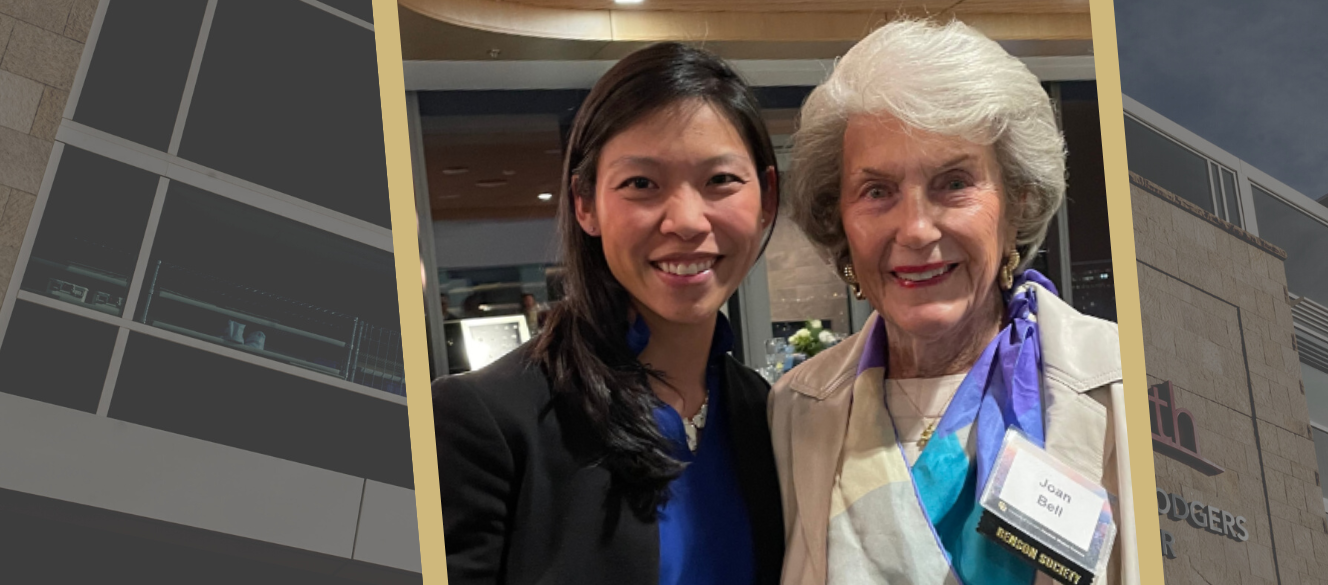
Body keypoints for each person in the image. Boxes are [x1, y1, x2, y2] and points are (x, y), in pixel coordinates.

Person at [772, 19, 1133, 585]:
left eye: (954, 182)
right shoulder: (792, 409)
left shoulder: (1125, 384)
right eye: (876, 191)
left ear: (1018, 201)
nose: (915, 229)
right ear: (837, 217)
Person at [431, 43, 785, 585]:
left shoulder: (768, 414)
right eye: (641, 184)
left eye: (720, 181)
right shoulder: (489, 421)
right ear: (586, 204)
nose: (687, 221)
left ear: (766, 198)